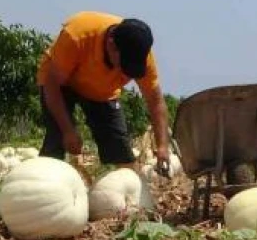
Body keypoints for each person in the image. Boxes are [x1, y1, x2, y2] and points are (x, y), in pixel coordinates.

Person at [36, 11, 171, 176]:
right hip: (61, 84)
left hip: (103, 91)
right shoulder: (77, 35)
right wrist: (68, 131)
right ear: (111, 45)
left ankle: (133, 194)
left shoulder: (141, 54)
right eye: (124, 66)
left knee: (120, 149)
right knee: (56, 140)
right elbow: (52, 85)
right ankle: (43, 186)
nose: (126, 74)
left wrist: (163, 146)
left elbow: (155, 101)